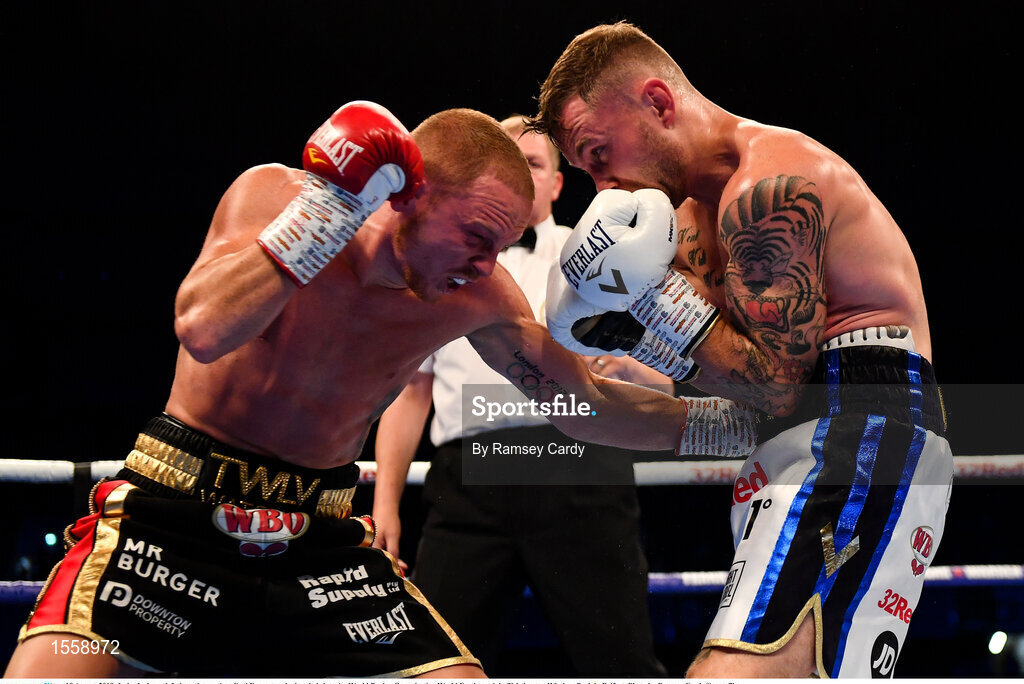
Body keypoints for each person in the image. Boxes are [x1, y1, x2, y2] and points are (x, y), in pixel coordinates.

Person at [4, 101, 693, 678]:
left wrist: (735, 426)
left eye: (503, 243)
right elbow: (203, 327)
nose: (488, 262)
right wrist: (322, 219)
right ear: (410, 194)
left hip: (320, 541)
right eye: (478, 236)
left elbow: (590, 406)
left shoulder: (477, 293)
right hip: (174, 516)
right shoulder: (274, 197)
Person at [527, 22, 953, 678]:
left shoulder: (769, 187)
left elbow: (776, 384)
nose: (603, 189)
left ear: (658, 104)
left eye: (599, 154)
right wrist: (563, 366)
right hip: (792, 433)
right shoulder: (689, 221)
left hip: (859, 428)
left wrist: (649, 305)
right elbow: (723, 383)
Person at [372, 115, 669, 676]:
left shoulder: (610, 260)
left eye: (533, 164)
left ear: (557, 184)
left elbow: (664, 382)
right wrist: (386, 502)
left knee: (619, 661)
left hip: (578, 465)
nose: (520, 173)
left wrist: (627, 368)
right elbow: (412, 394)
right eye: (509, 160)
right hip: (468, 480)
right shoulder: (443, 261)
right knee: (435, 661)